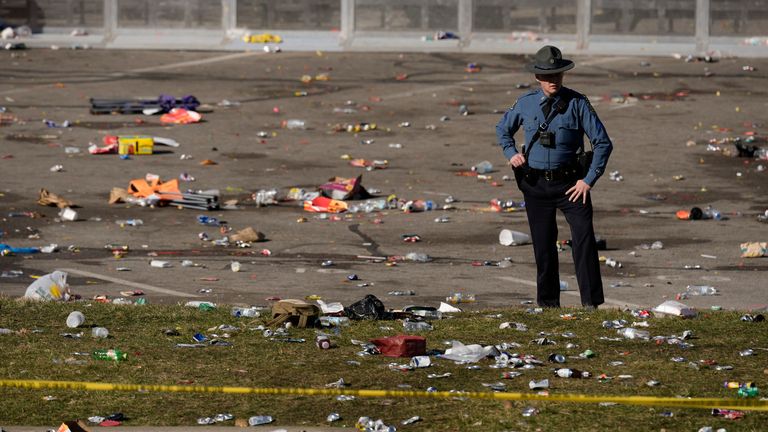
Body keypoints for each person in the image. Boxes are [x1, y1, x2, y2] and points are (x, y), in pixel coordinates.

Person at [496, 45, 613, 309]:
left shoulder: (578, 103)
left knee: (584, 242)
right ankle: (548, 304)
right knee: (543, 246)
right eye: (548, 76)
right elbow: (503, 129)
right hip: (535, 185)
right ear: (537, 77)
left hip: (572, 185)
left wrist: (589, 180)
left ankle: (591, 303)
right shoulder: (525, 104)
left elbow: (603, 143)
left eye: (557, 75)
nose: (553, 81)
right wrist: (510, 153)